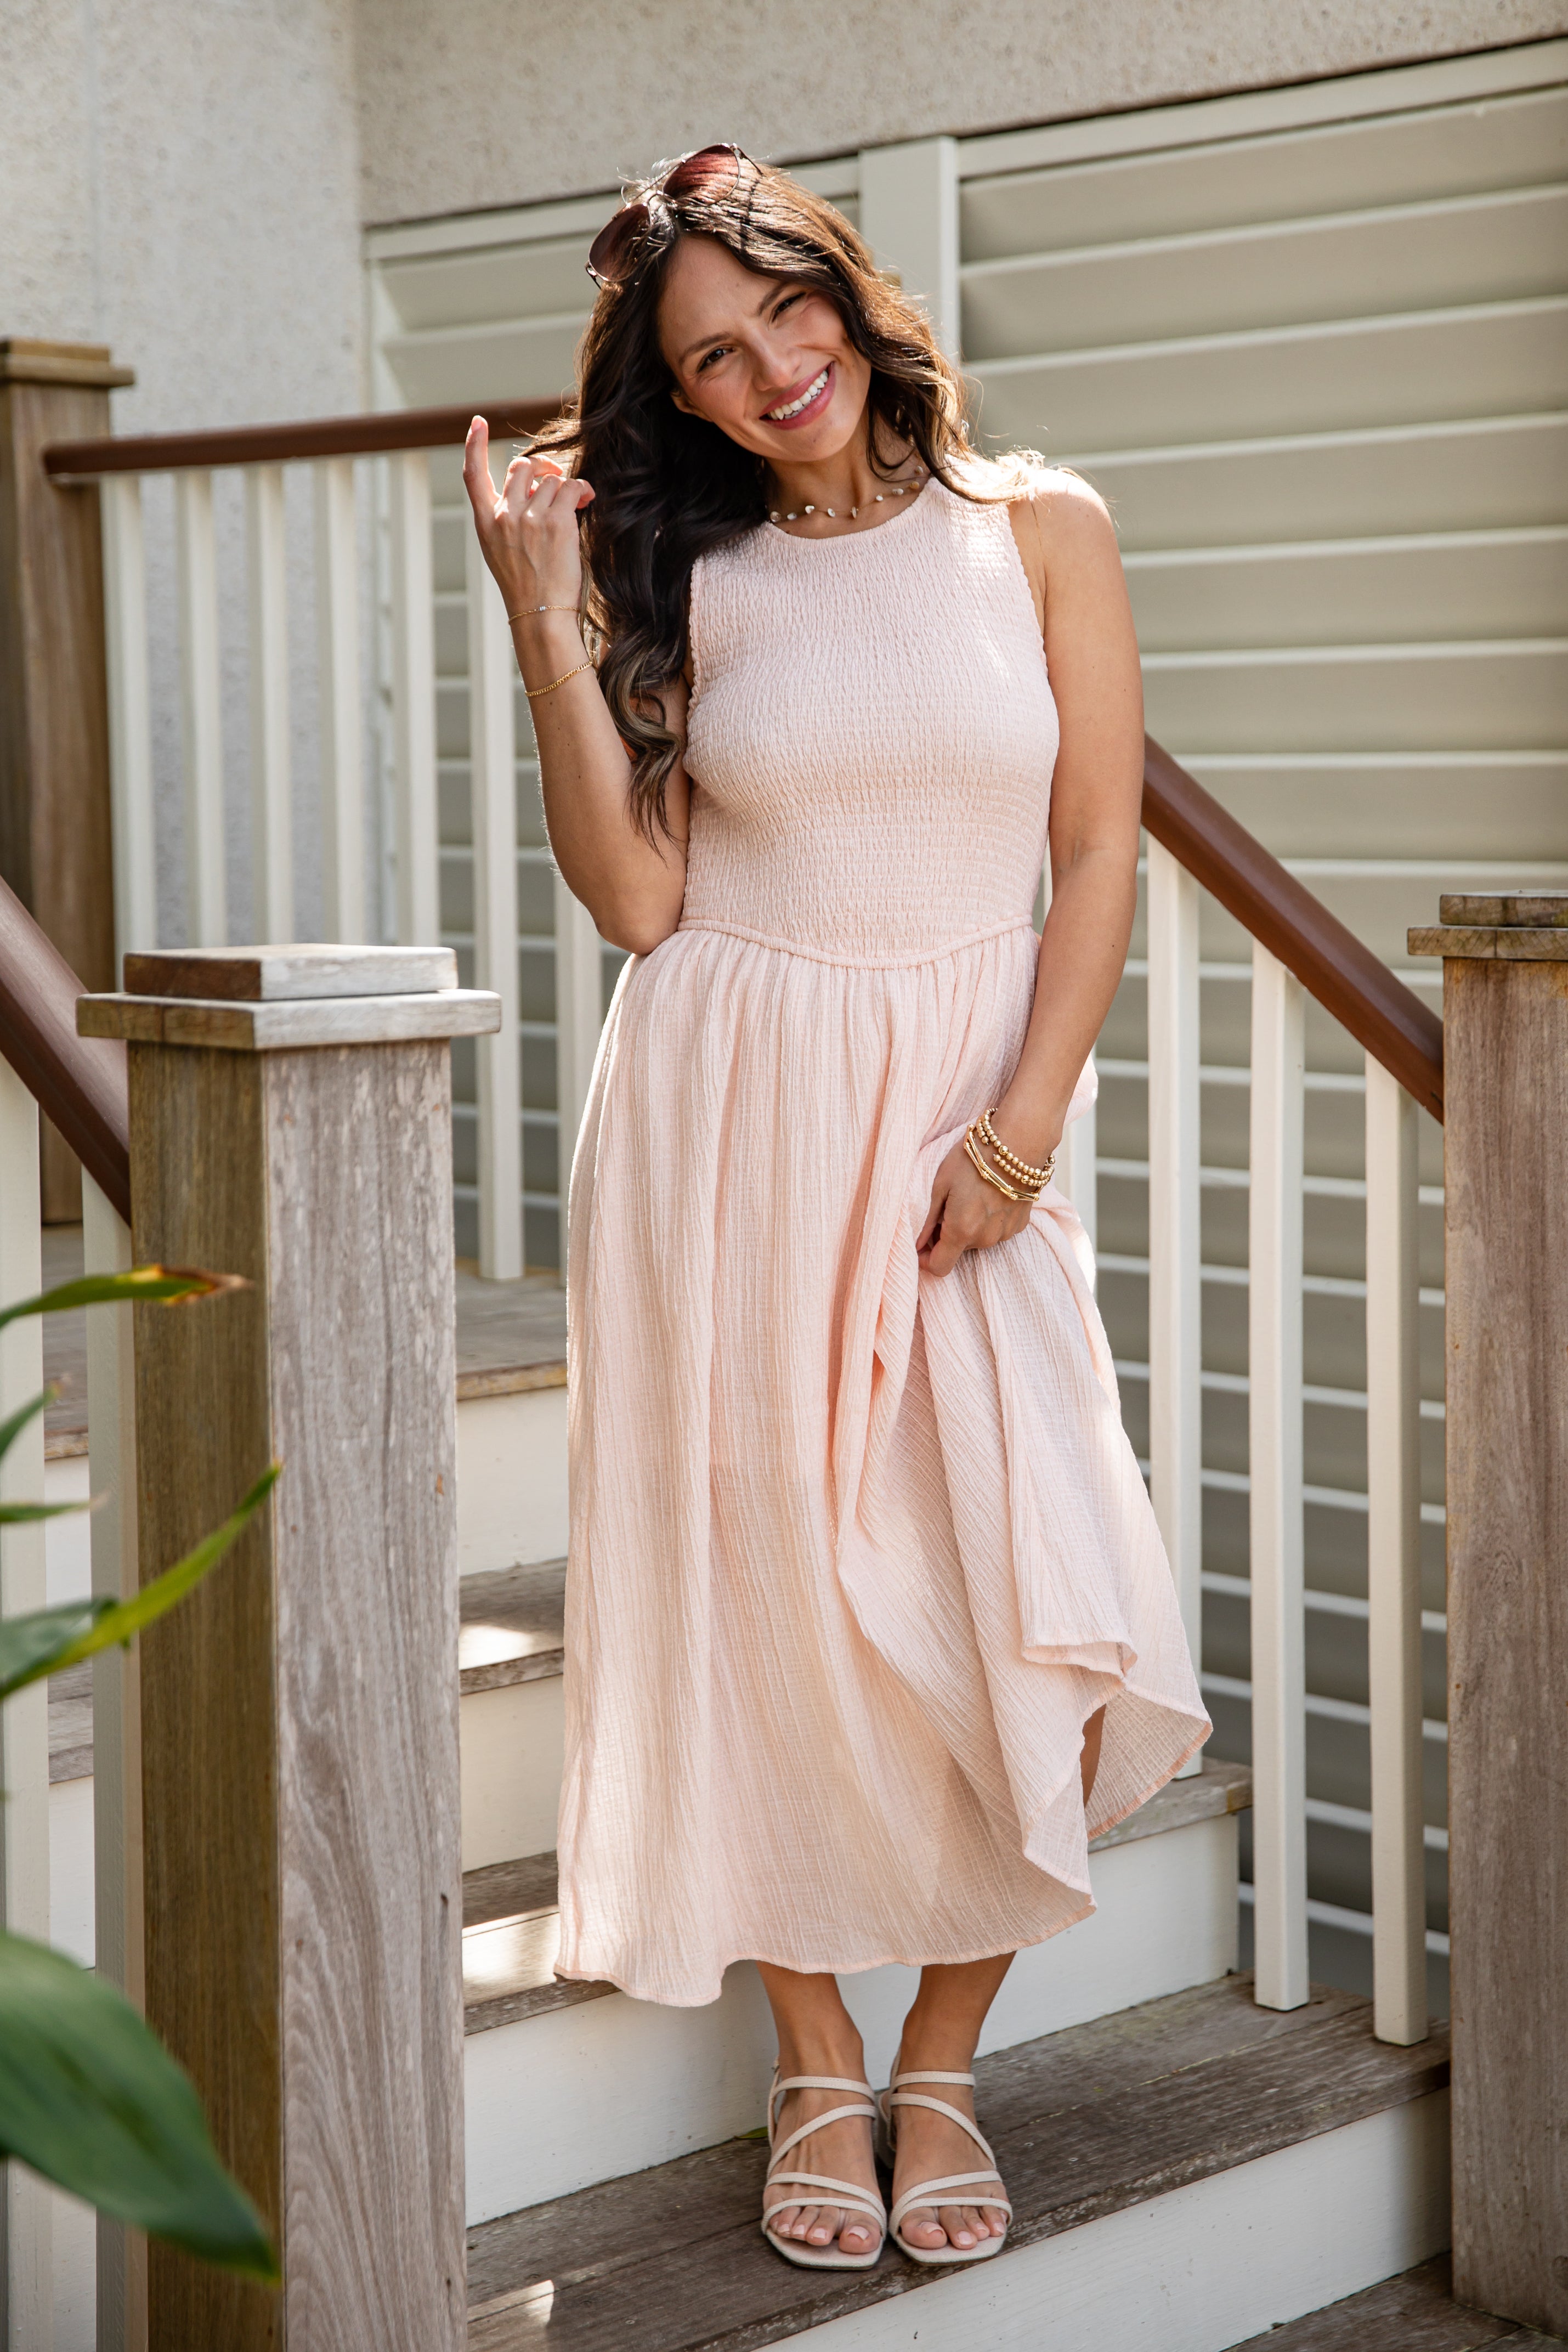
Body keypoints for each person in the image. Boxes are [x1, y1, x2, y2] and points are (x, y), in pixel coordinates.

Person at [463, 144, 1208, 2274]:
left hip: (966, 1117)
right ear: (678, 404)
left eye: (783, 311)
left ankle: (944, 2054)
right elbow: (636, 896)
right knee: (762, 1577)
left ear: (847, 297)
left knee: (1018, 1556)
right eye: (710, 356)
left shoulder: (1037, 530)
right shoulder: (694, 580)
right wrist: (539, 614)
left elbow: (1092, 854)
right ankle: (815, 2051)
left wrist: (1021, 1129)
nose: (767, 366)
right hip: (728, 1114)